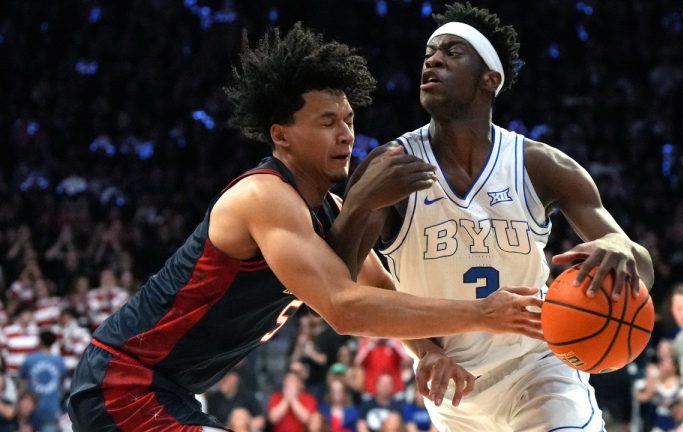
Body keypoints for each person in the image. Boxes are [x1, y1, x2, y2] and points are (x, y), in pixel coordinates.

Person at [67, 23, 549, 431]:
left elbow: (379, 287)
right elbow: (344, 307)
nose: (345, 134)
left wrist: (425, 352)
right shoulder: (265, 197)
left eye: (349, 119)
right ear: (281, 135)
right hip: (123, 382)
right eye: (326, 122)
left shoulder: (328, 209)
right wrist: (483, 314)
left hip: (169, 389)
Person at [341, 3, 654, 430]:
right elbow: (341, 291)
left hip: (539, 367)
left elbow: (641, 268)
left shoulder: (540, 165)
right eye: (430, 52)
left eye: (452, 52)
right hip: (455, 390)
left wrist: (620, 246)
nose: (432, 59)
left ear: (490, 79)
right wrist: (425, 349)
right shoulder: (392, 166)